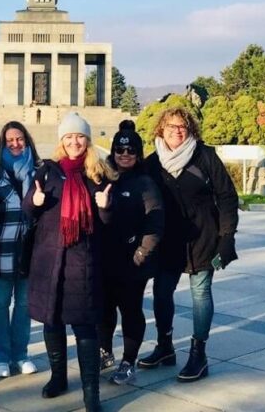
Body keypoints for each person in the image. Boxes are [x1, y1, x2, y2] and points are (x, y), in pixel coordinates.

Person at [24, 112, 117, 412]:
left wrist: (105, 208)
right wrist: (35, 202)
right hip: (49, 260)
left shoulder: (98, 174)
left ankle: (91, 392)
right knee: (51, 322)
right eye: (68, 137)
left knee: (85, 328)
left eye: (79, 136)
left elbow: (108, 225)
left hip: (83, 263)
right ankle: (58, 377)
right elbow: (29, 208)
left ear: (87, 140)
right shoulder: (47, 172)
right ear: (61, 141)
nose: (74, 142)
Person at [140, 107, 239, 382]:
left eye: (182, 126)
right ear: (161, 129)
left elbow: (228, 197)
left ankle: (199, 353)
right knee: (161, 292)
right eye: (171, 126)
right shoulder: (152, 163)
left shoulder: (205, 156)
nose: (177, 131)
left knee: (200, 293)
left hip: (203, 237)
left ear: (190, 129)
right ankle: (164, 346)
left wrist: (227, 237)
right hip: (167, 240)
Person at [98, 120, 164, 386]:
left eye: (131, 151)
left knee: (131, 310)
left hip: (133, 260)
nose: (125, 155)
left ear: (138, 153)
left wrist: (142, 252)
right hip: (105, 258)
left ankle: (128, 361)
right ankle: (104, 351)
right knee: (103, 309)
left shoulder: (145, 183)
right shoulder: (102, 177)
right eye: (120, 150)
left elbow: (155, 222)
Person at [0, 121, 42, 378]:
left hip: (30, 250)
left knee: (25, 304)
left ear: (27, 140)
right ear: (2, 143)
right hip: (2, 249)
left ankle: (21, 354)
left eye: (20, 139)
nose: (15, 144)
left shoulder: (39, 170)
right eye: (10, 140)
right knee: (0, 303)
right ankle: (0, 356)